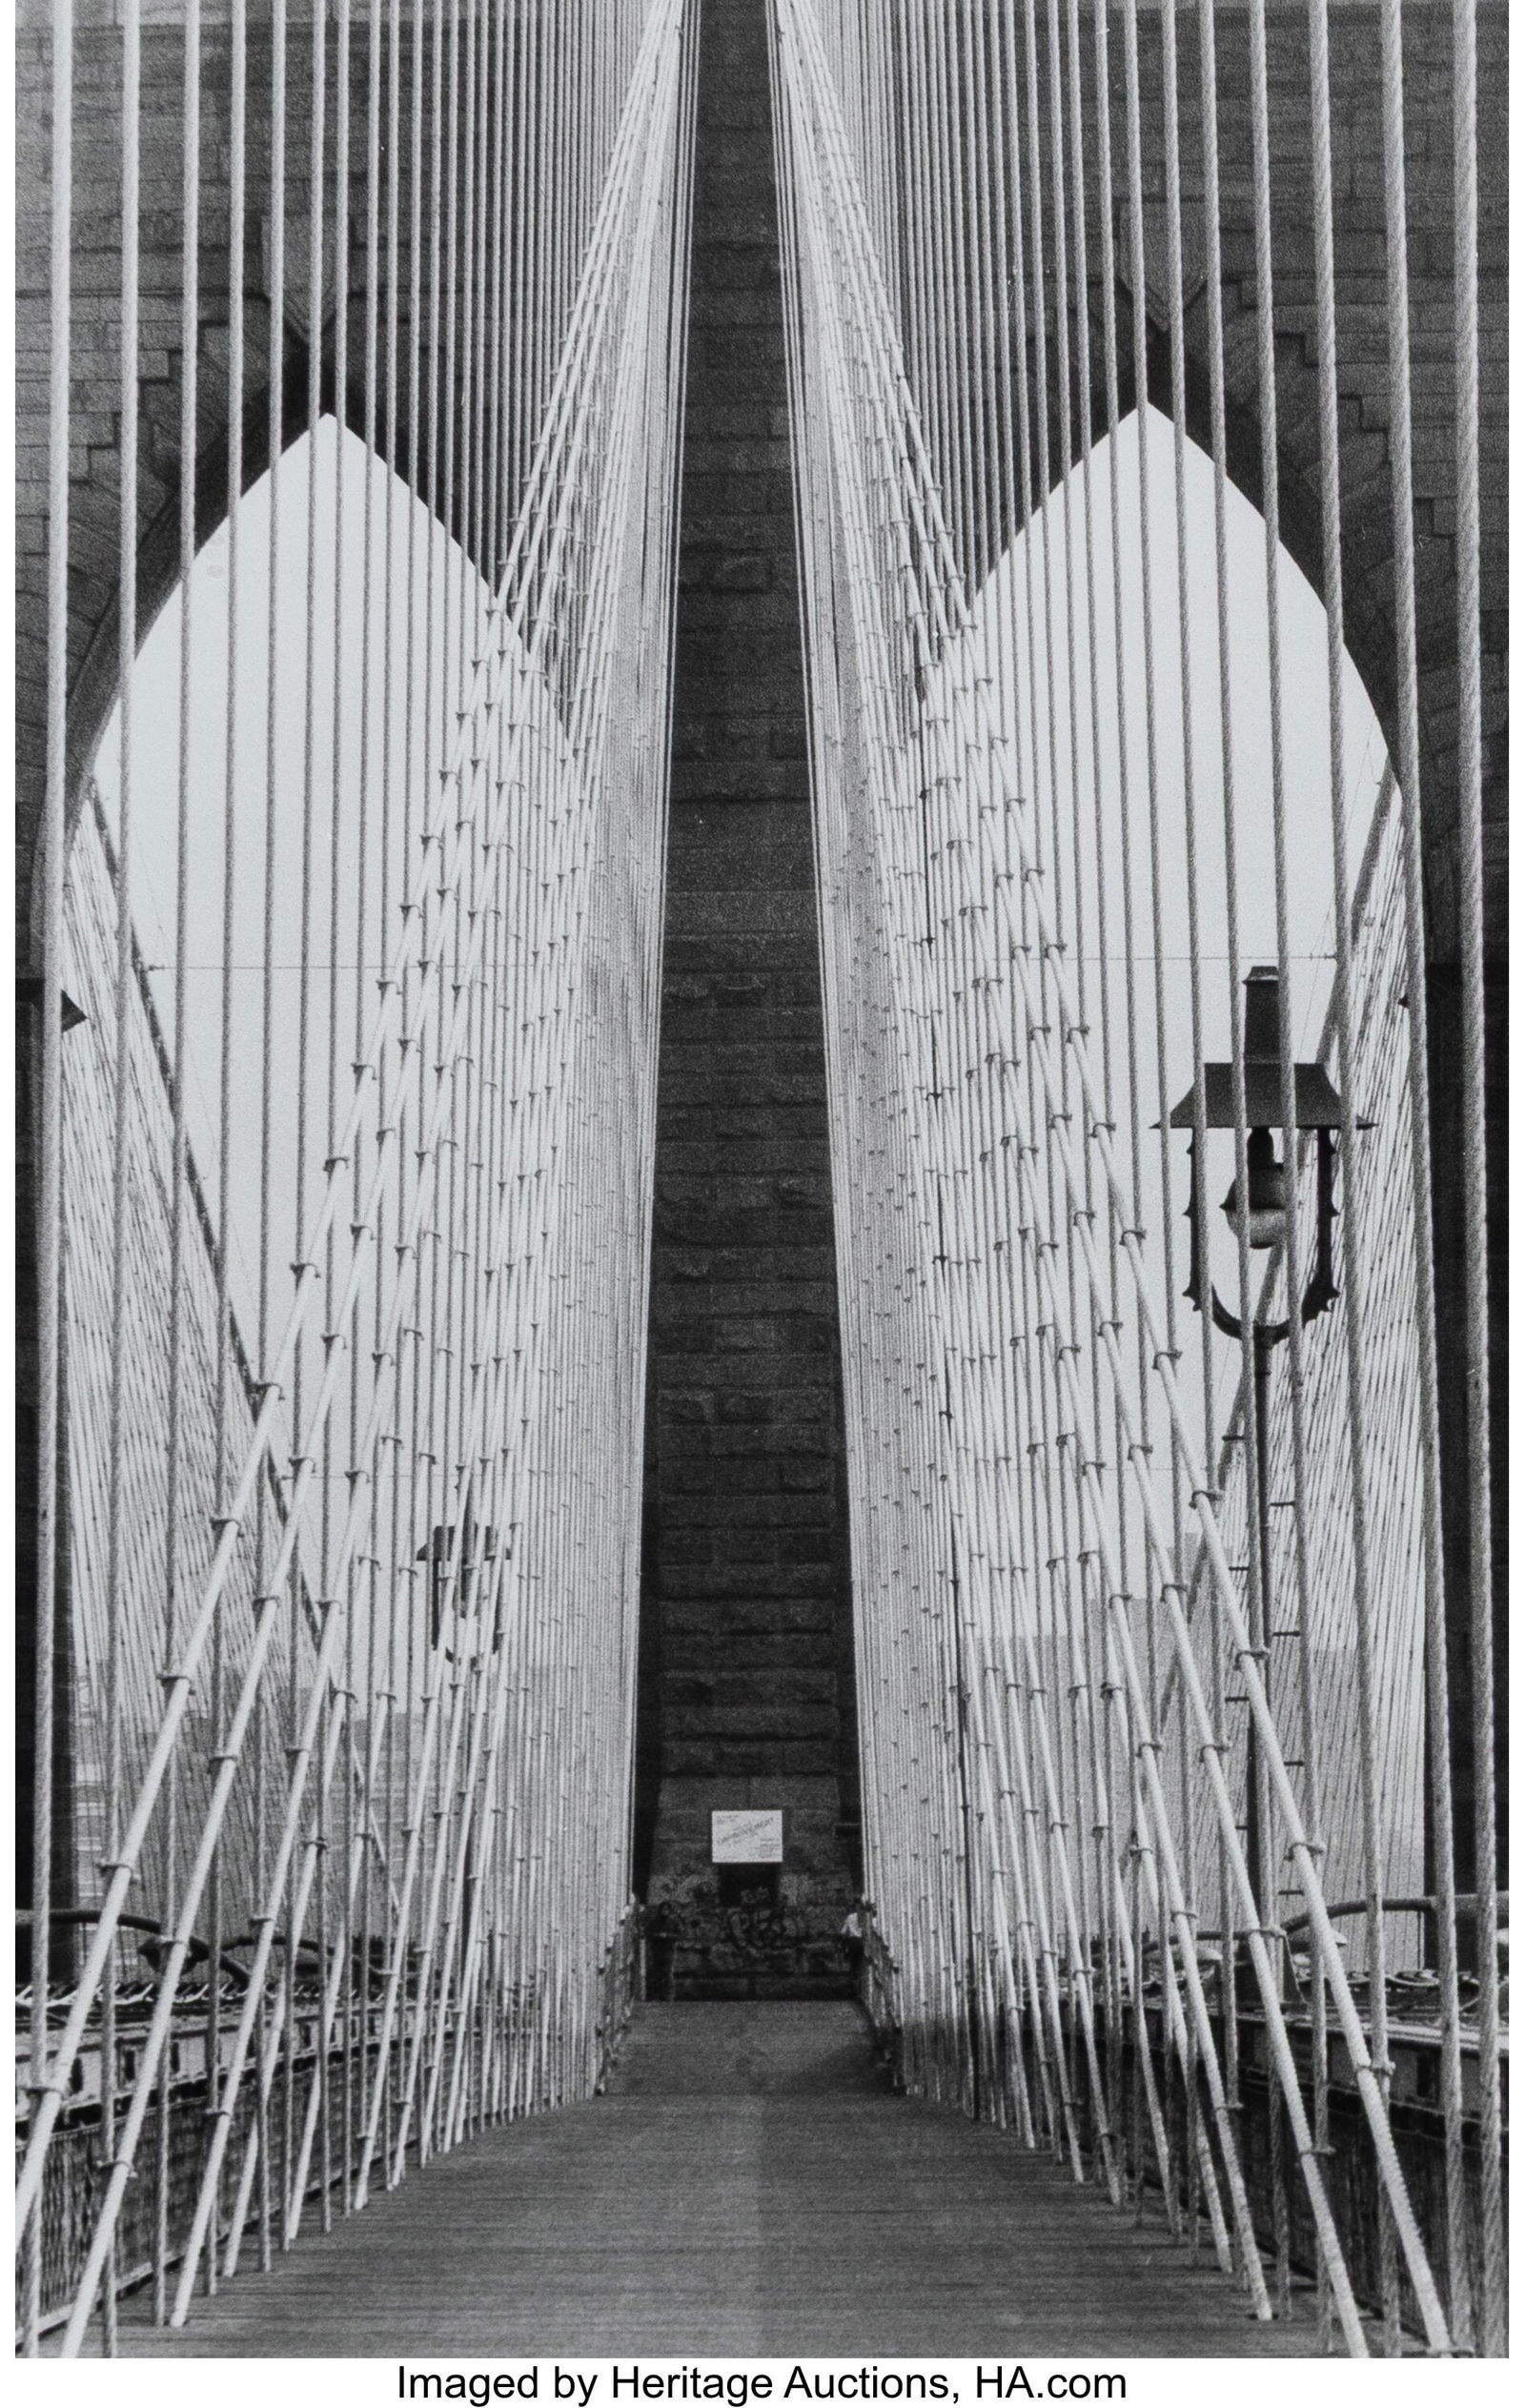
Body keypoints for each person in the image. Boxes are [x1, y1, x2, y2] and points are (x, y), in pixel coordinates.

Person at [644, 1898, 680, 2002]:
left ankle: (668, 1996)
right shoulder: (656, 1922)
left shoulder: (671, 1922)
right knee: (658, 1974)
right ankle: (660, 1995)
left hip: (667, 1950)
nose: (665, 1912)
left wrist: (667, 1936)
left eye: (666, 1910)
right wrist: (660, 1936)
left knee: (668, 1974)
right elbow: (648, 1933)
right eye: (663, 1909)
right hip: (658, 1950)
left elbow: (678, 1934)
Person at [840, 1895, 869, 1985]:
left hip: (853, 1941)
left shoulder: (850, 1917)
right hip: (863, 1941)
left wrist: (843, 1944)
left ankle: (854, 1980)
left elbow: (843, 1932)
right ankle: (862, 1981)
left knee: (853, 1963)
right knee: (863, 1962)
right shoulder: (866, 1916)